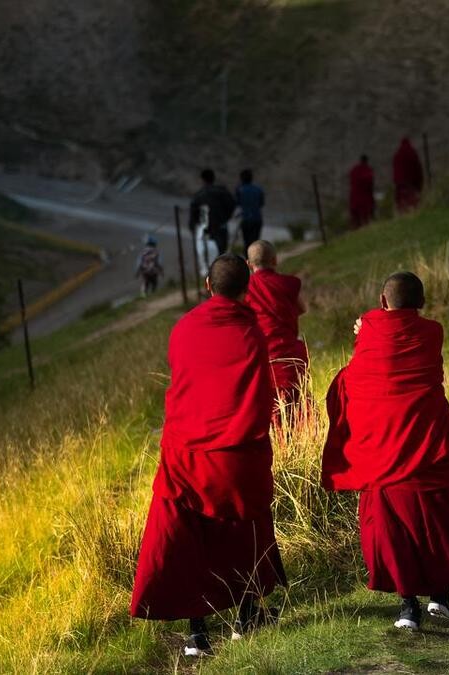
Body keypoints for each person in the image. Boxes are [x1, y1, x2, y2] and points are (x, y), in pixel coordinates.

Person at [322, 272, 449, 631]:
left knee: (395, 529)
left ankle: (409, 607)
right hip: (426, 442)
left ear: (382, 299)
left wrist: (365, 330)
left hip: (389, 449)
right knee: (439, 521)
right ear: (420, 303)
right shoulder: (432, 331)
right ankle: (440, 595)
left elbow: (350, 380)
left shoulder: (373, 330)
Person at [130, 254, 286, 656]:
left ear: (207, 285)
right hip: (236, 450)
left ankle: (197, 633)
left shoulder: (183, 328)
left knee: (188, 537)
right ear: (246, 288)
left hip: (186, 451)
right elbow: (261, 395)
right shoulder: (252, 331)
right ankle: (246, 614)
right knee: (248, 523)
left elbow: (185, 383)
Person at [245, 240, 309, 418]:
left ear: (248, 265)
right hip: (290, 355)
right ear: (274, 260)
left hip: (263, 358)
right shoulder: (287, 284)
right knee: (298, 408)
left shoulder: (247, 290)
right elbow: (302, 308)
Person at [189, 169, 237, 256]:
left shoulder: (199, 194)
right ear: (213, 178)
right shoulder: (222, 191)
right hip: (221, 226)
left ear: (202, 180)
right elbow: (232, 205)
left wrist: (193, 225)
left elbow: (194, 212)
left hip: (206, 229)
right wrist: (226, 218)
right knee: (221, 254)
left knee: (206, 254)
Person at [235, 169, 266, 249]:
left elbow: (237, 203)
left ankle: (248, 260)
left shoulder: (239, 189)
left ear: (241, 179)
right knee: (255, 242)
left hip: (245, 219)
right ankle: (256, 258)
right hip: (257, 218)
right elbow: (261, 203)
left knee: (247, 243)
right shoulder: (258, 189)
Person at [392, 137, 423, 213]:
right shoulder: (412, 153)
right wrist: (419, 183)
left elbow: (395, 171)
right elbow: (417, 169)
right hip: (411, 183)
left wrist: (396, 182)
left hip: (400, 185)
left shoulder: (397, 155)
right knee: (412, 203)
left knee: (402, 204)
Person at [348, 154, 376, 228]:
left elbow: (351, 181)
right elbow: (370, 185)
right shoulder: (368, 171)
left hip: (354, 197)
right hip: (364, 198)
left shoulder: (354, 170)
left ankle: (356, 230)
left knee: (356, 219)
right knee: (365, 218)